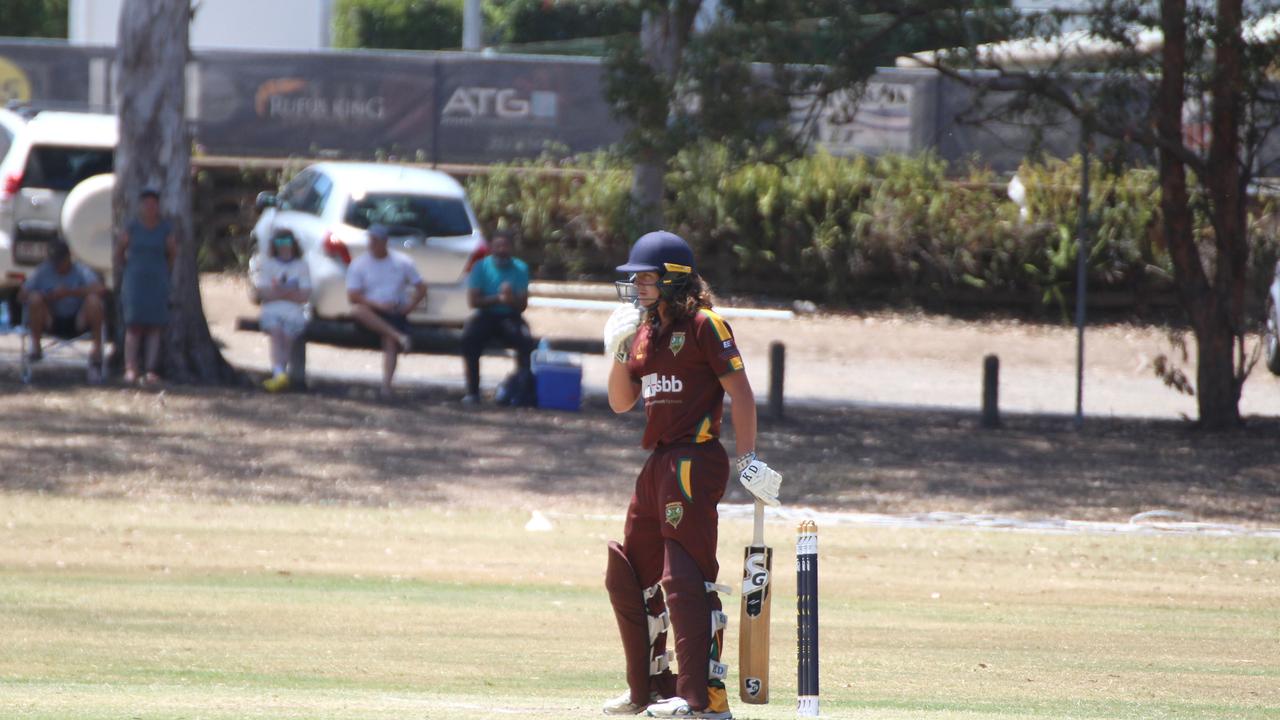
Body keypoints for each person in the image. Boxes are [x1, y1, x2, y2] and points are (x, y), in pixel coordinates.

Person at [600, 231, 782, 719]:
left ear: (674, 279)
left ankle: (701, 698)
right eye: (635, 276)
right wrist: (618, 351)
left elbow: (741, 394)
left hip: (694, 460)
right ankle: (648, 690)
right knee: (632, 571)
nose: (637, 284)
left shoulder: (706, 325)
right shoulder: (645, 332)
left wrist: (747, 459)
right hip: (657, 461)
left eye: (645, 276)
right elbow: (621, 402)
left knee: (682, 573)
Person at [346, 223, 427, 397]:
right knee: (357, 311)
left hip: (394, 310)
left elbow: (421, 287)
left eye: (376, 240)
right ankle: (399, 336)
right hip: (371, 310)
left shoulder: (403, 262)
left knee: (389, 340)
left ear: (385, 242)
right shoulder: (359, 264)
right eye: (370, 240)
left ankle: (386, 386)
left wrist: (409, 306)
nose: (372, 244)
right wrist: (376, 304)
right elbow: (353, 295)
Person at [460, 227, 536, 405]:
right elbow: (474, 301)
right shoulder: (480, 267)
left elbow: (522, 305)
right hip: (485, 315)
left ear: (511, 247)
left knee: (525, 341)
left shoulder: (520, 268)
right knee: (469, 339)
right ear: (491, 247)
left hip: (510, 316)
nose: (502, 249)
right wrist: (497, 299)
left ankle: (521, 391)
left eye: (505, 246)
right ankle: (472, 391)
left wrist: (511, 299)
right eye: (498, 245)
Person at [18, 240, 108, 383]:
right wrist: (46, 295)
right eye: (55, 262)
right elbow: (22, 295)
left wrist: (70, 292)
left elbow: (100, 289)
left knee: (94, 301)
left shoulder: (81, 270)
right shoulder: (43, 271)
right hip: (50, 319)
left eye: (61, 261)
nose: (57, 266)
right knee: (34, 299)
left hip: (78, 320)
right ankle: (35, 347)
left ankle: (96, 352)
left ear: (68, 257)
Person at [116, 187, 176, 386]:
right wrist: (130, 269)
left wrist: (162, 272)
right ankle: (130, 368)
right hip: (135, 281)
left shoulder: (165, 228)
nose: (150, 207)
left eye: (154, 203)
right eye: (146, 203)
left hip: (157, 280)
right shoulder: (132, 227)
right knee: (133, 326)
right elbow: (120, 252)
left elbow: (172, 254)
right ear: (141, 206)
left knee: (154, 327)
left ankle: (151, 369)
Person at [255, 230, 311, 393]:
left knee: (287, 337)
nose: (284, 246)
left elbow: (305, 296)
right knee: (276, 333)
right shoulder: (268, 265)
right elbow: (263, 293)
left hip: (294, 313)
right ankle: (279, 374)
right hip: (272, 311)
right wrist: (290, 292)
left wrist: (278, 292)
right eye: (279, 242)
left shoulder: (301, 266)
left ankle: (279, 375)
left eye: (287, 242)